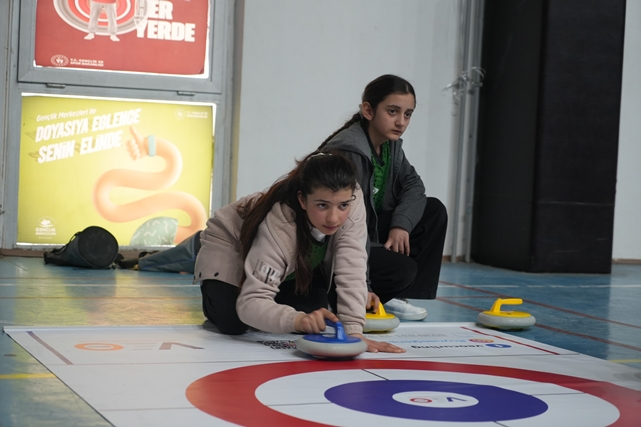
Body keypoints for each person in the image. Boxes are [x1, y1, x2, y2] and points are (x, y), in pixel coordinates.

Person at [193, 150, 404, 354]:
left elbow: (352, 266)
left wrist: (354, 333)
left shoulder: (352, 199)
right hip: (231, 242)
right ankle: (192, 248)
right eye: (322, 205)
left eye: (342, 206)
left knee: (315, 315)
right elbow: (250, 302)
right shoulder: (280, 226)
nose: (333, 218)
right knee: (233, 321)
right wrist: (297, 319)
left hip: (292, 256)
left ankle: (280, 283)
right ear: (302, 200)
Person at [318, 74, 448, 321]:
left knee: (433, 211)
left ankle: (395, 297)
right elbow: (345, 227)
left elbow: (414, 186)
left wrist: (401, 225)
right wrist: (363, 285)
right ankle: (353, 296)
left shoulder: (390, 145)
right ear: (368, 110)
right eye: (392, 111)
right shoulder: (350, 151)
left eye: (408, 114)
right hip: (335, 244)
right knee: (402, 270)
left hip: (370, 232)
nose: (401, 122)